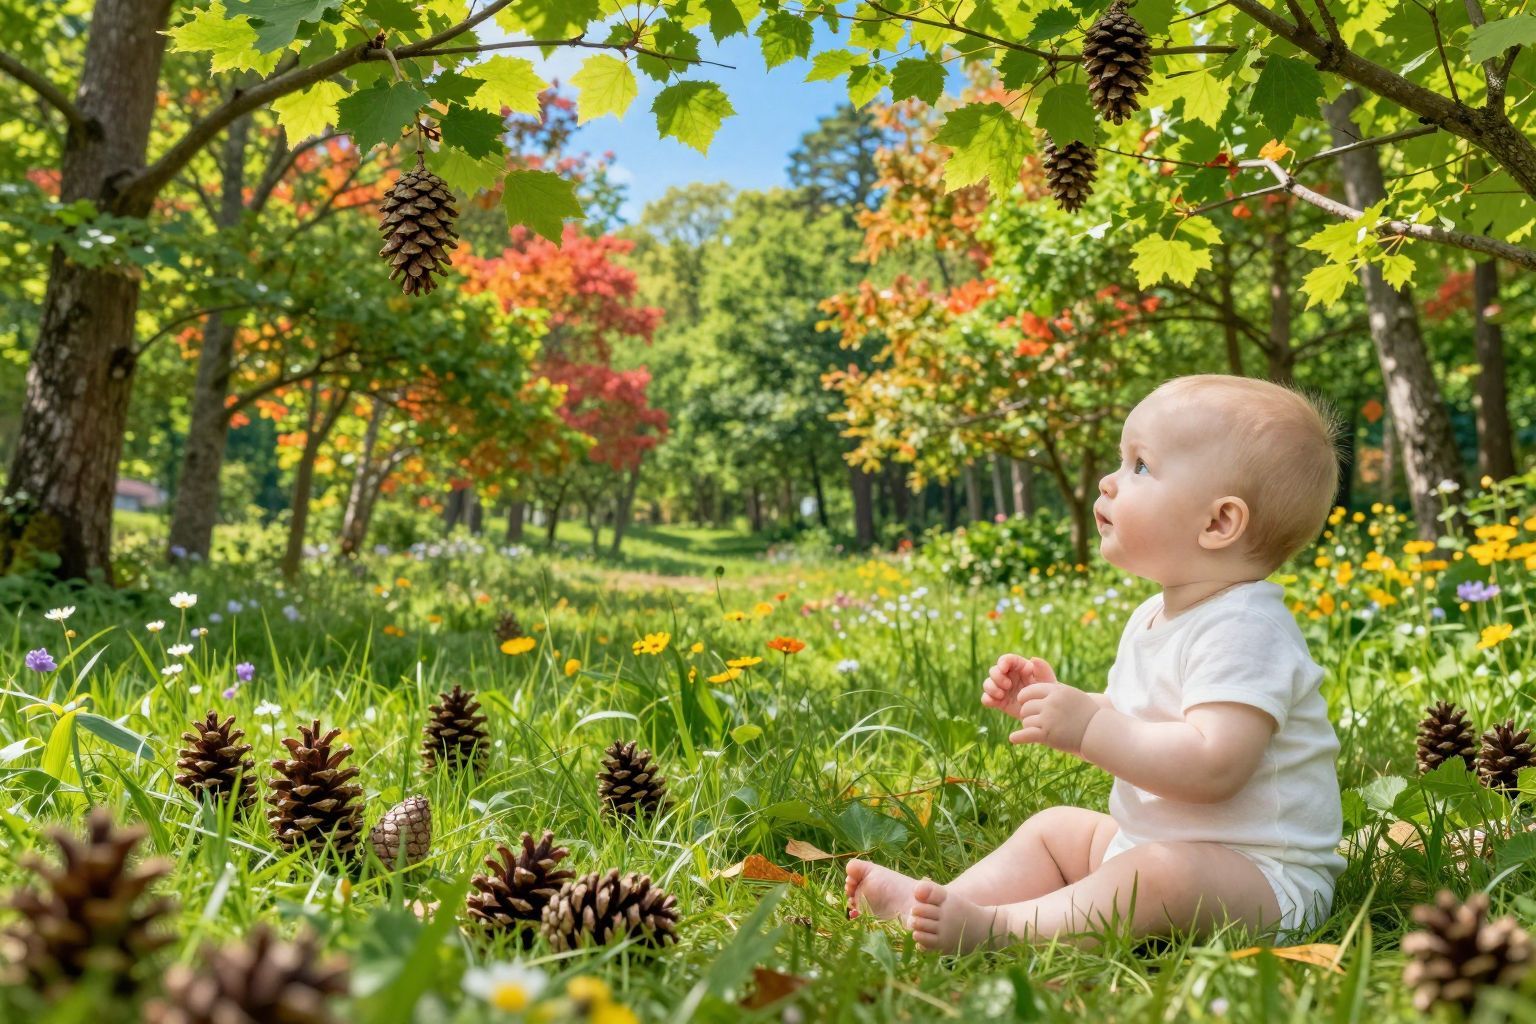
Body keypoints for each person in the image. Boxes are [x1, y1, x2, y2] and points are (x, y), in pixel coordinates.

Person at [845, 374, 1348, 953]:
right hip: (1153, 842)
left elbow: (1214, 766)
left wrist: (1090, 728)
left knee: (1157, 876)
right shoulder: (1155, 616)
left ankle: (1002, 931)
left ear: (1218, 523)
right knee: (1056, 830)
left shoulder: (1247, 630)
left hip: (1264, 880)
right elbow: (1139, 719)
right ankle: (940, 903)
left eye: (1140, 466)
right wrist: (1062, 705)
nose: (1109, 480)